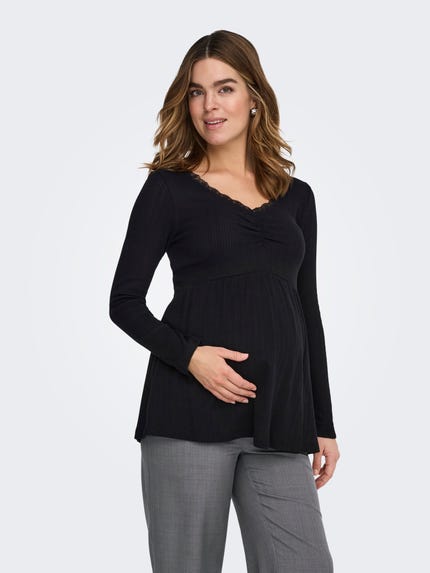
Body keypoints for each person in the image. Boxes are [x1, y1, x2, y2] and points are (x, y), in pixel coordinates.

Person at [109, 29, 340, 573]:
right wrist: (192, 357)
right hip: (186, 414)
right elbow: (124, 301)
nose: (209, 105)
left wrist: (322, 421)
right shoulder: (168, 189)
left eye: (225, 88)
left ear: (254, 96)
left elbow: (307, 310)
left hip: (280, 418)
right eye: (197, 92)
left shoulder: (297, 197)